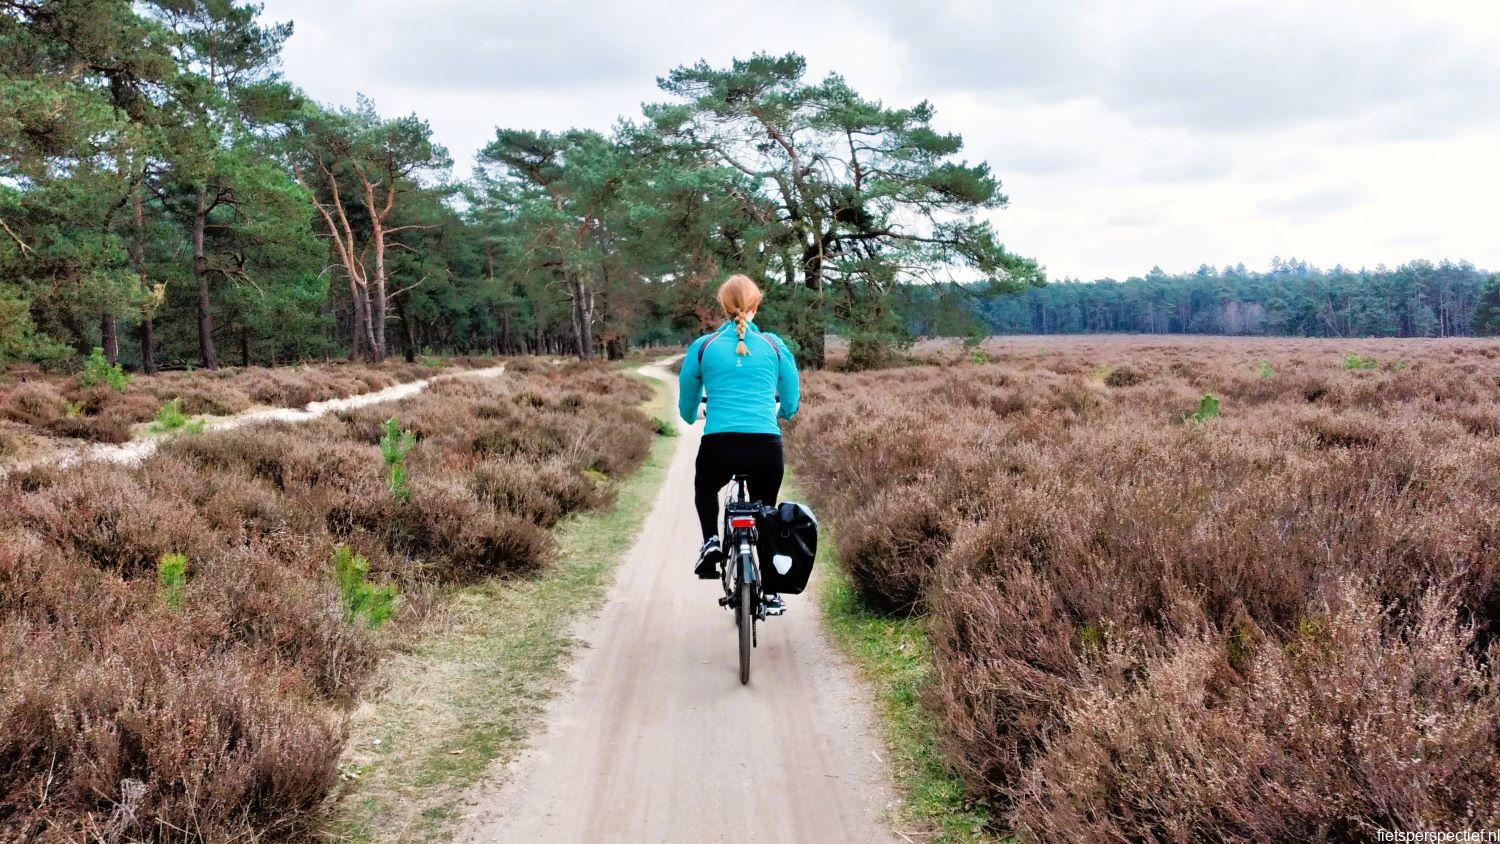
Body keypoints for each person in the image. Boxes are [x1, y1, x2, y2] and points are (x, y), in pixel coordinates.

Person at [678, 274, 800, 591]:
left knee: (705, 488)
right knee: (765, 512)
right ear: (756, 304)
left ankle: (710, 542)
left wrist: (693, 415)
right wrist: (783, 413)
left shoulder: (704, 346)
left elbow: (687, 402)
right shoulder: (774, 345)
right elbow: (790, 398)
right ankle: (770, 588)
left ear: (723, 306)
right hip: (766, 448)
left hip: (719, 445)